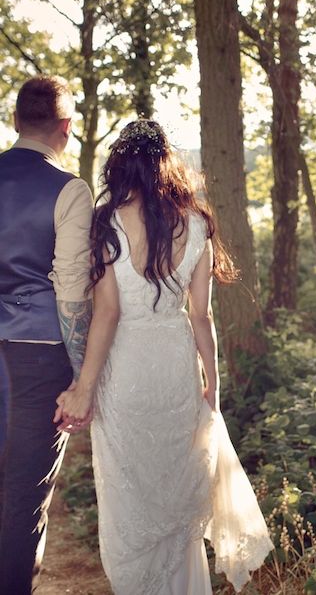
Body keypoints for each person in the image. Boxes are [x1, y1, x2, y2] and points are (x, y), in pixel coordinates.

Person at [56, 119, 273, 594]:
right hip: (177, 368)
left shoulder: (108, 221)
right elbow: (201, 316)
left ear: (121, 166)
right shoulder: (196, 223)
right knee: (177, 493)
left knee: (130, 494)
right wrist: (211, 381)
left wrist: (84, 387)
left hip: (126, 370)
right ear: (166, 166)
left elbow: (107, 314)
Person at [0, 75, 94, 593]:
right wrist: (82, 375)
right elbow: (73, 289)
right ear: (66, 128)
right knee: (21, 500)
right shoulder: (69, 189)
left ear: (16, 122)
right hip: (38, 357)